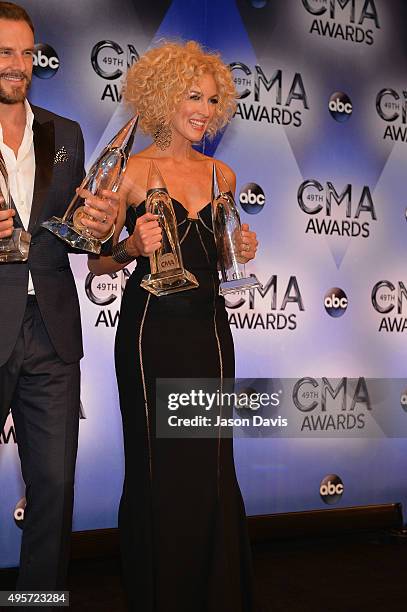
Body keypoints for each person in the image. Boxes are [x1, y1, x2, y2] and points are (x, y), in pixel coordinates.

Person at [88, 40, 258, 611]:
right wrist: (130, 245)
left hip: (211, 337)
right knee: (157, 465)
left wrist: (242, 246)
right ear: (162, 98)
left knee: (211, 463)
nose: (205, 110)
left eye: (213, 100)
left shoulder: (224, 175)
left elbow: (223, 259)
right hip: (149, 339)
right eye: (193, 96)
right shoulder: (131, 172)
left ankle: (215, 595)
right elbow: (97, 259)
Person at [0, 2, 119, 589]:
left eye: (25, 52)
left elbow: (84, 235)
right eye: (4, 52)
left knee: (55, 486)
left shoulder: (65, 132)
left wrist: (103, 224)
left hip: (50, 331)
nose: (18, 64)